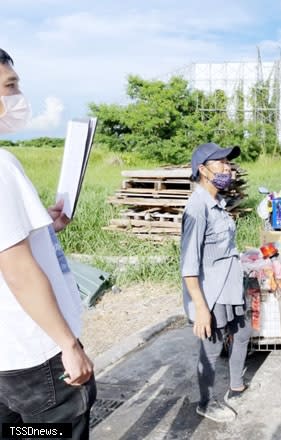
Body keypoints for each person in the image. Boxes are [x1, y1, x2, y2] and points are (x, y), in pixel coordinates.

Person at [0, 48, 96, 438]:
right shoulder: (1, 166)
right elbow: (18, 268)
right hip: (34, 357)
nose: (19, 96)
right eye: (10, 86)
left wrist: (41, 226)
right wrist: (67, 345)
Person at [180, 142, 251, 423]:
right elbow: (188, 265)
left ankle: (236, 385)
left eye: (228, 162)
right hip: (212, 293)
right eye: (220, 163)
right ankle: (206, 403)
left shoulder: (217, 203)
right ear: (202, 170)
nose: (227, 168)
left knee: (244, 333)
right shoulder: (197, 208)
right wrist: (200, 308)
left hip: (230, 285)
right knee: (211, 349)